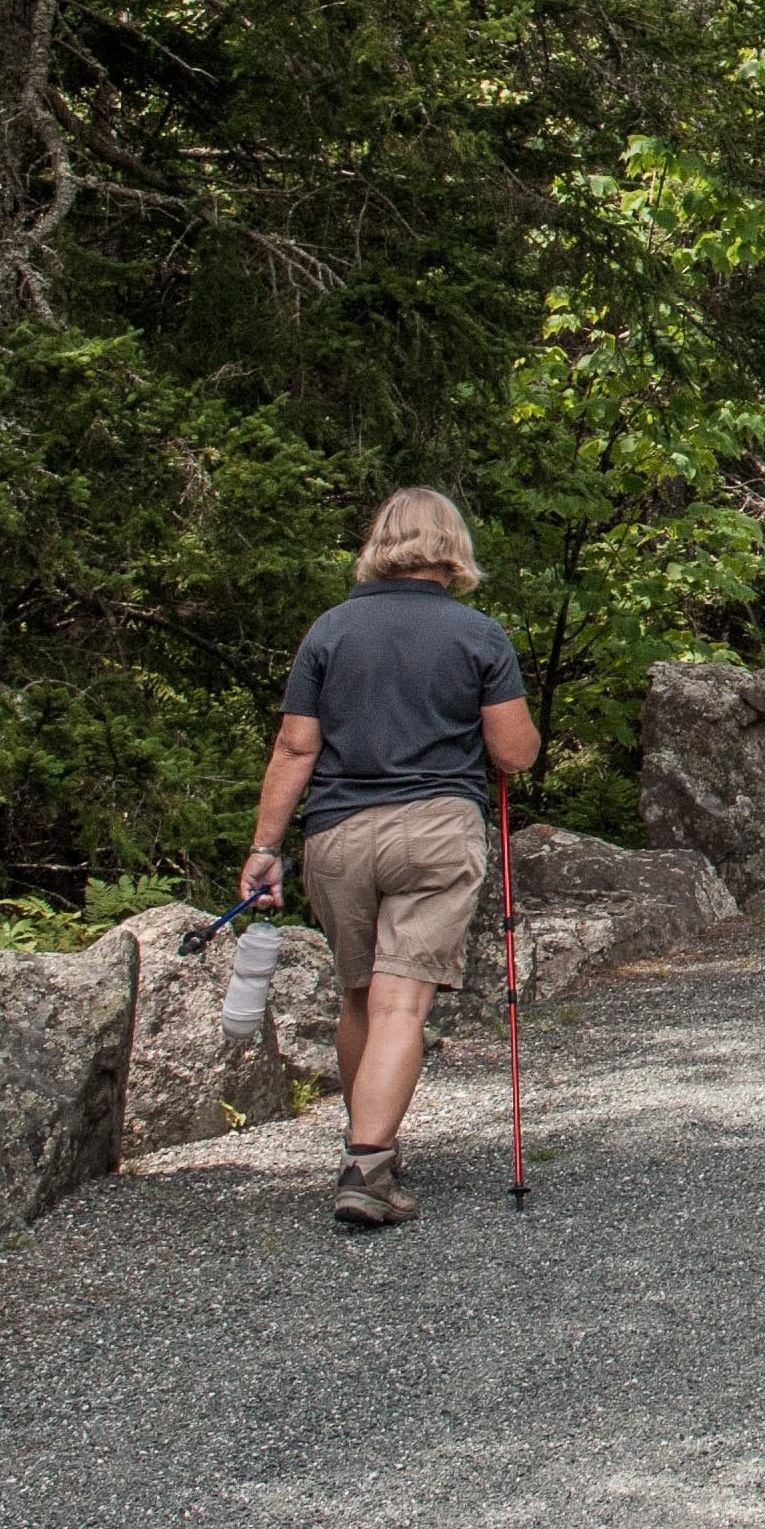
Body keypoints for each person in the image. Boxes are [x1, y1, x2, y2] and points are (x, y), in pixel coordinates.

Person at [242, 487, 538, 1229]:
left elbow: (295, 746)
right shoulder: (478, 635)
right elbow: (513, 753)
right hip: (437, 830)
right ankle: (368, 1168)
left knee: (356, 996)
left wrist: (263, 850)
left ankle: (369, 1147)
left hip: (339, 834)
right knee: (401, 1001)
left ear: (382, 543)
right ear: (452, 547)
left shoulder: (330, 632)